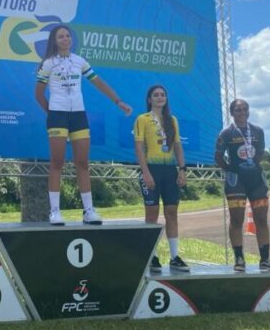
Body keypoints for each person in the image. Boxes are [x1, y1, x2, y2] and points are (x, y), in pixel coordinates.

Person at [35, 24, 132, 225]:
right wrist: (52, 113)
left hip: (79, 115)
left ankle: (89, 211)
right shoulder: (48, 64)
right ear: (54, 40)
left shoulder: (80, 61)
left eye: (67, 36)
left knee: (83, 163)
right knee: (57, 162)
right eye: (61, 36)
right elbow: (38, 94)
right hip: (58, 115)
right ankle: (54, 212)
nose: (65, 39)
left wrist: (118, 101)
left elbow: (99, 83)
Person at [214, 99, 270, 272]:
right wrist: (230, 170)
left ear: (249, 111)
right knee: (237, 220)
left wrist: (253, 165)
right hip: (236, 182)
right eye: (238, 110)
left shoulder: (258, 131)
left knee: (261, 219)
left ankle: (265, 259)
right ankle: (239, 259)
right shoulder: (226, 133)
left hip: (256, 181)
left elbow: (260, 152)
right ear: (232, 113)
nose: (242, 112)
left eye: (245, 109)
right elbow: (218, 156)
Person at [134, 85, 189, 272]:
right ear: (149, 99)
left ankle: (174, 257)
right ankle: (153, 256)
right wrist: (146, 172)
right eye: (155, 95)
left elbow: (178, 146)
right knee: (152, 214)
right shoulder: (142, 119)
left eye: (162, 95)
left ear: (166, 98)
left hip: (169, 170)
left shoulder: (172, 120)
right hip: (152, 169)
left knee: (172, 212)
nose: (159, 97)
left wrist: (182, 169)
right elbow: (139, 148)